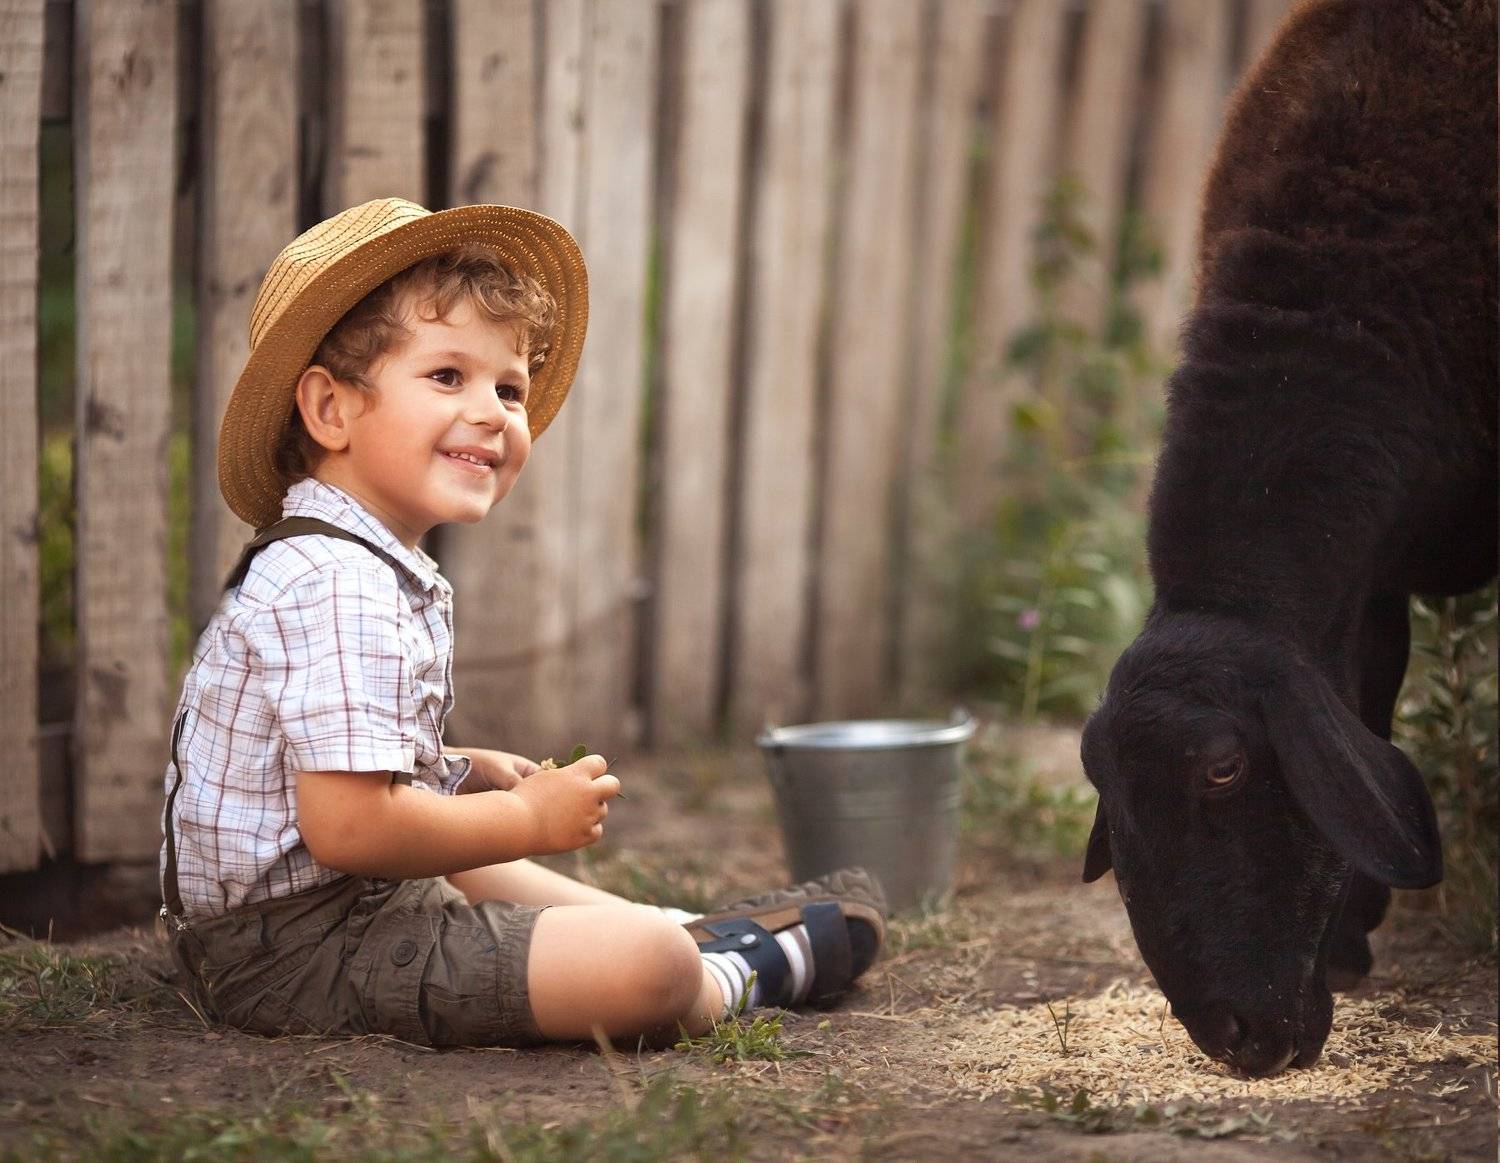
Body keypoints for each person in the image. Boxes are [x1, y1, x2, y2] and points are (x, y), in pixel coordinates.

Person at [159, 197, 885, 1048]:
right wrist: (531, 820)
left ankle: (680, 929)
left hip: (321, 915)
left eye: (509, 388)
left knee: (467, 850)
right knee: (642, 965)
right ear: (330, 409)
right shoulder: (338, 583)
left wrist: (459, 769)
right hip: (297, 955)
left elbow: (325, 775)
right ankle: (716, 968)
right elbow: (351, 828)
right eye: (447, 376)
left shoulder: (344, 558)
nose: (494, 412)